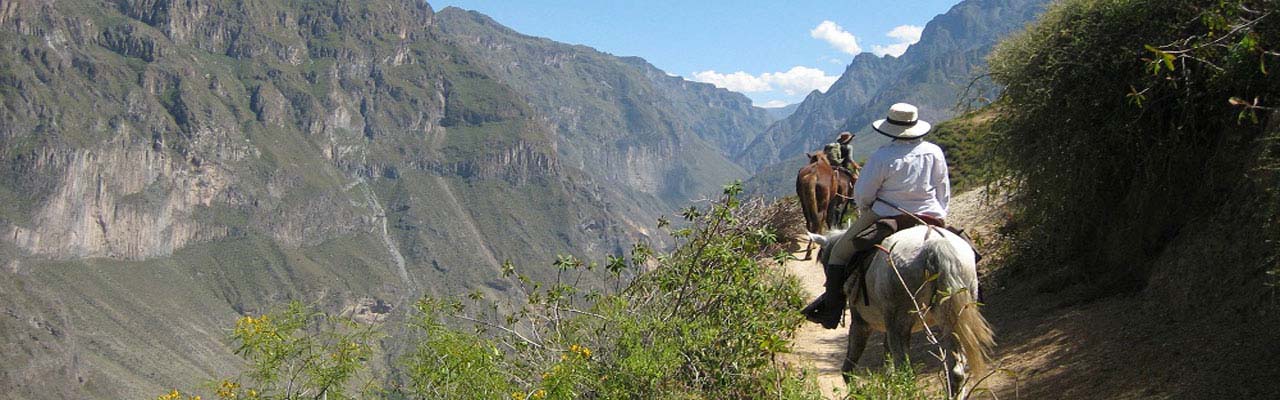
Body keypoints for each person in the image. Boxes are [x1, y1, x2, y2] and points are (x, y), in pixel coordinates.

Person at [802, 103, 951, 329]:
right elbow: (943, 190)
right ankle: (974, 295)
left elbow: (862, 194)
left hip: (888, 216)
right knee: (965, 247)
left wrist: (867, 209)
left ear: (889, 128)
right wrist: (938, 214)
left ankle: (831, 310)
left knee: (840, 253)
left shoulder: (882, 156)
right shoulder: (935, 151)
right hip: (930, 216)